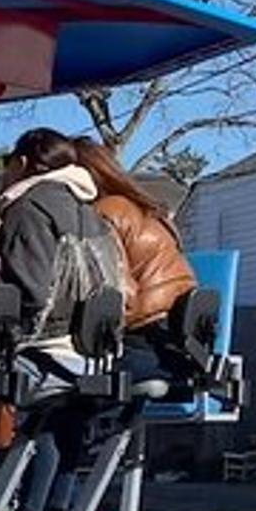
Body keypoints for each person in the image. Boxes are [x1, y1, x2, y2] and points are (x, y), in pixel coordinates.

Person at [0, 128, 126, 511]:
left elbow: (29, 290)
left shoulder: (28, 207)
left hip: (44, 343)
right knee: (64, 423)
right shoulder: (91, 211)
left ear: (25, 162)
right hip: (92, 350)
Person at [71, 136, 198, 381]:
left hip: (141, 342)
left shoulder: (104, 212)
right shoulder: (150, 210)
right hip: (177, 342)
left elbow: (120, 292)